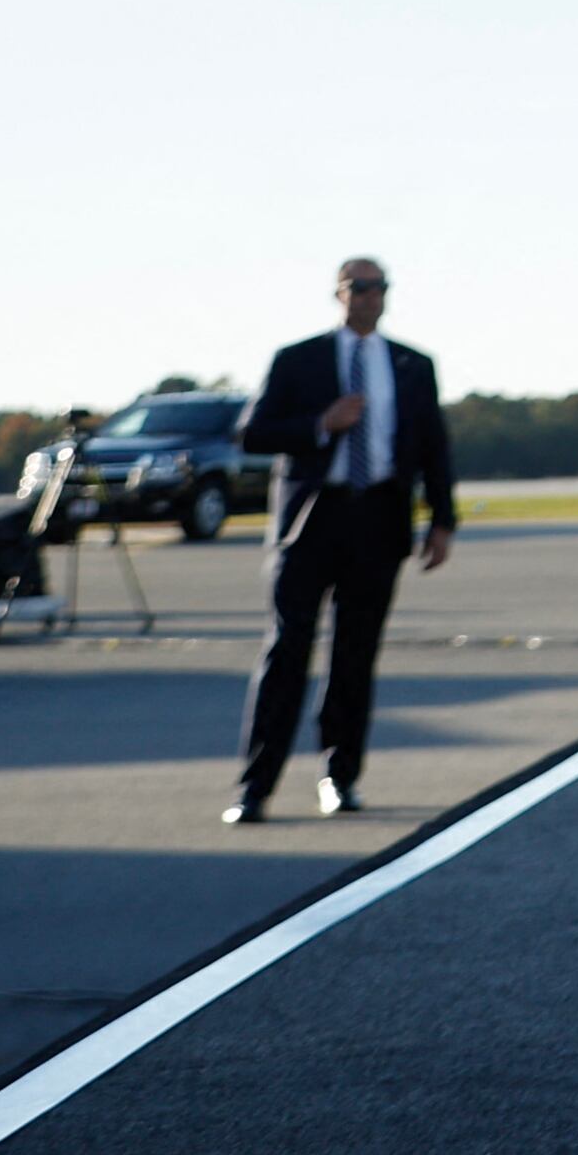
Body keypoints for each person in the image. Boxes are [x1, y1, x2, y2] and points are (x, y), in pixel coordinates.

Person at [229, 258, 459, 825]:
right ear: (338, 294)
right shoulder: (299, 358)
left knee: (355, 657)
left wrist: (443, 520)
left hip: (377, 518)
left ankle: (340, 777)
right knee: (288, 649)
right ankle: (255, 788)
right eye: (358, 287)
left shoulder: (410, 364)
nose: (369, 296)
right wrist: (319, 424)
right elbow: (253, 433)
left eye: (378, 287)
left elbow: (434, 444)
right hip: (310, 520)